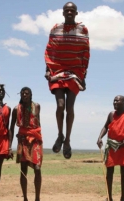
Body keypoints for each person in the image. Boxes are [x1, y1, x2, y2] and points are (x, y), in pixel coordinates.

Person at [44, 2, 90, 159]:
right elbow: (50, 50)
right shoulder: (55, 29)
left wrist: (83, 76)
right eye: (67, 10)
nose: (69, 12)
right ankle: (60, 135)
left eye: (72, 10)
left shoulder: (82, 30)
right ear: (63, 13)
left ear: (76, 13)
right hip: (57, 71)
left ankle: (68, 140)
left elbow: (85, 53)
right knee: (60, 105)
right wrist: (47, 71)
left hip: (75, 73)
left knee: (69, 108)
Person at [97, 95, 124, 201]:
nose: (115, 102)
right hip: (112, 146)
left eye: (117, 101)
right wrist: (99, 137)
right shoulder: (111, 114)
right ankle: (109, 197)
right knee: (109, 172)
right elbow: (105, 127)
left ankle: (123, 197)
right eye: (114, 101)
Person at [10, 87, 42, 201]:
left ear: (30, 95)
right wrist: (10, 146)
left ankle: (37, 198)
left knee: (37, 168)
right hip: (22, 140)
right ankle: (25, 198)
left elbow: (38, 123)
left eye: (27, 93)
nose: (24, 95)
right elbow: (11, 128)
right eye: (22, 94)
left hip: (35, 140)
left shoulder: (37, 106)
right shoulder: (15, 109)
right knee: (23, 169)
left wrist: (38, 136)